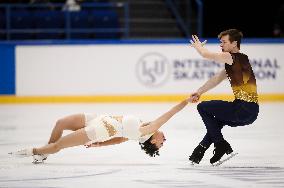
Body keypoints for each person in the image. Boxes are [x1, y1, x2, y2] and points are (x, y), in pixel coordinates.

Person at [10, 98, 190, 163]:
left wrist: (187, 101)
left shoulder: (147, 131)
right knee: (60, 123)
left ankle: (32, 152)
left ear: (152, 141)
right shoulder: (140, 133)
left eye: (161, 143)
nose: (164, 140)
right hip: (97, 118)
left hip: (100, 129)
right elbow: (119, 139)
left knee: (58, 146)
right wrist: (98, 146)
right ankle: (44, 153)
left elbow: (170, 113)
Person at [188, 29, 259, 165]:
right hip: (252, 112)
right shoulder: (240, 60)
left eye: (224, 42)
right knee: (217, 123)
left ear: (234, 44)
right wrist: (199, 91)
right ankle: (201, 149)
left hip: (242, 108)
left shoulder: (232, 57)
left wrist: (199, 48)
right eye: (221, 42)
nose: (221, 45)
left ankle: (220, 144)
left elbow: (206, 55)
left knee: (203, 107)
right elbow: (216, 79)